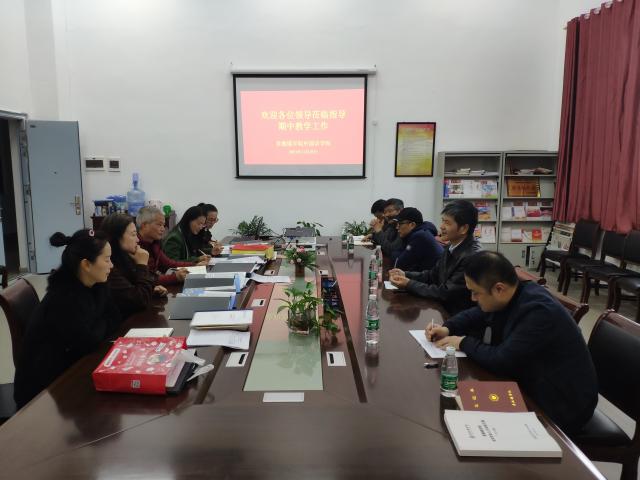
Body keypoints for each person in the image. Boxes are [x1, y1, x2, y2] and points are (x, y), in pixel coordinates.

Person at [426, 251, 598, 434]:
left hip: (563, 403)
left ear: (499, 289)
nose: (472, 299)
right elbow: (478, 313)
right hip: (534, 382)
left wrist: (462, 342)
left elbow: (501, 360)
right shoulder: (514, 293)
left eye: (476, 293)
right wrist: (448, 328)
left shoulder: (539, 312)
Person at [14, 229, 122, 408]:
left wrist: (98, 325)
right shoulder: (64, 297)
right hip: (44, 393)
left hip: (69, 367)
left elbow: (115, 316)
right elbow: (88, 342)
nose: (111, 265)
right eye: (107, 259)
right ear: (86, 264)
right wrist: (101, 323)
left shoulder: (96, 284)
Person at [389, 200, 481, 315]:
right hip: (443, 309)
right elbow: (432, 275)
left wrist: (408, 284)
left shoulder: (471, 257)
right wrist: (405, 274)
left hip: (456, 316)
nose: (441, 227)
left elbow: (445, 293)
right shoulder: (452, 246)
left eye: (447, 223)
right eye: (442, 221)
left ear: (463, 228)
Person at [100, 213, 158, 317]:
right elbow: (140, 301)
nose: (138, 239)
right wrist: (142, 265)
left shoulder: (125, 257)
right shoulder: (108, 267)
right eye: (133, 234)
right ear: (117, 238)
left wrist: (151, 290)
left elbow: (149, 281)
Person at [137, 206, 203, 286]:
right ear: (144, 225)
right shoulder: (135, 247)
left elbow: (168, 263)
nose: (163, 229)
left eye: (163, 225)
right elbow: (146, 279)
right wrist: (175, 277)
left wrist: (194, 265)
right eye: (159, 225)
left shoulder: (154, 243)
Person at [392, 207, 442, 271]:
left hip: (433, 276)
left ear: (412, 225)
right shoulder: (419, 233)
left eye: (400, 224)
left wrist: (394, 254)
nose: (397, 227)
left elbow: (399, 264)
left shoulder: (419, 237)